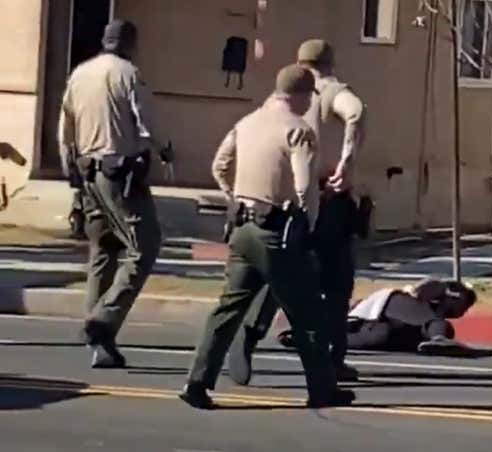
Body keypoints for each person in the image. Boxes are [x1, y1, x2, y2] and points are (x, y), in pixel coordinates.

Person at [179, 65, 355, 410]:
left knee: (228, 308)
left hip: (243, 227)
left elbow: (219, 165)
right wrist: (308, 220)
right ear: (303, 96)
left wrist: (236, 196)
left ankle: (197, 382)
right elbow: (304, 185)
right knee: (309, 313)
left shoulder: (247, 123)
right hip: (277, 231)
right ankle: (323, 389)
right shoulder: (299, 131)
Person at [229, 39, 367, 386]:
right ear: (330, 63)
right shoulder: (331, 90)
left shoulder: (279, 100)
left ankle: (248, 336)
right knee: (336, 283)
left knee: (278, 278)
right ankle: (333, 358)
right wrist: (347, 159)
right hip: (327, 198)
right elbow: (355, 111)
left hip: (284, 202)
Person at [58, 19, 173, 369]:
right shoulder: (128, 74)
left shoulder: (80, 74)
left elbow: (66, 129)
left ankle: (96, 332)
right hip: (118, 173)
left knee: (105, 248)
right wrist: (164, 149)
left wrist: (73, 178)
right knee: (145, 245)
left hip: (87, 171)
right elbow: (145, 122)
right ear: (130, 43)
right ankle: (103, 321)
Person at [279, 279, 476, 353]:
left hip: (380, 328)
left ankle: (308, 338)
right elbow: (419, 291)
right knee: (438, 326)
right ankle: (440, 340)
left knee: (377, 336)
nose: (462, 311)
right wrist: (444, 289)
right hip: (388, 305)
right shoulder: (425, 298)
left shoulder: (432, 318)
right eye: (464, 304)